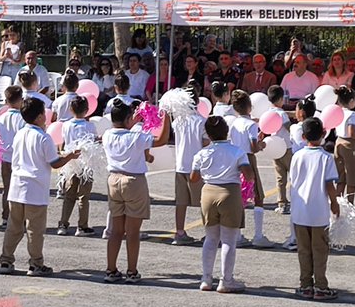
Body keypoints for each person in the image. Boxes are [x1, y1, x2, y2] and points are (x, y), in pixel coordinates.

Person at [0, 97, 76, 276]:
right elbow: (55, 162)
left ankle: (6, 260)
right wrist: (70, 156)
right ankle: (36, 264)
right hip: (35, 188)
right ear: (40, 116)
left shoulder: (20, 134)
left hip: (17, 186)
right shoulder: (44, 137)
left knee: (13, 227)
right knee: (35, 229)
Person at [103, 98, 170, 283]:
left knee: (116, 230)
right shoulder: (135, 137)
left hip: (113, 180)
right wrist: (166, 117)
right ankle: (131, 271)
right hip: (133, 181)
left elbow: (123, 126)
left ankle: (111, 270)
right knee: (132, 232)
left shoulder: (108, 135)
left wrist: (133, 119)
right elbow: (162, 140)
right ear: (127, 119)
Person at [190, 115, 252, 294]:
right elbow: (249, 175)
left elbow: (193, 178)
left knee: (210, 238)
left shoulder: (202, 153)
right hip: (229, 192)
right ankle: (226, 280)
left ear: (208, 135)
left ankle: (206, 278)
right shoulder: (237, 151)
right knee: (228, 240)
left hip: (208, 192)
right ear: (227, 131)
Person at [288, 117, 340, 300]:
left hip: (300, 210)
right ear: (324, 134)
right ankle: (320, 286)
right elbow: (329, 185)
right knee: (320, 250)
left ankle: (305, 284)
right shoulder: (326, 158)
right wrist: (334, 203)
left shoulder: (297, 156)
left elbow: (292, 181)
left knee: (303, 249)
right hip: (319, 211)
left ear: (303, 136)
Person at [229, 90, 270, 248]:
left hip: (236, 158)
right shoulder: (251, 125)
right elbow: (253, 147)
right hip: (248, 159)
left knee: (239, 195)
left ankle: (238, 235)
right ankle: (258, 235)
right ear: (250, 107)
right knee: (258, 195)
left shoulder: (234, 123)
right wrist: (261, 144)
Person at [169, 81, 207, 246]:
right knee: (204, 200)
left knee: (181, 201)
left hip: (180, 164)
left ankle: (179, 231)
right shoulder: (201, 121)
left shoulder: (177, 121)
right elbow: (205, 142)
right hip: (197, 166)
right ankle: (209, 231)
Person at [57, 96, 97, 236]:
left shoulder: (66, 125)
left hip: (71, 163)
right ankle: (82, 226)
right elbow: (93, 142)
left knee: (69, 195)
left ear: (71, 109)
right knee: (83, 196)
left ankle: (63, 224)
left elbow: (63, 142)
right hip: (86, 163)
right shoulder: (90, 126)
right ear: (87, 110)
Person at [0, 86, 27, 229]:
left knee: (7, 188)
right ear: (21, 100)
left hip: (5, 157)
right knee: (21, 189)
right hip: (20, 158)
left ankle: (6, 217)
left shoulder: (2, 118)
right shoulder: (23, 118)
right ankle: (20, 219)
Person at [332, 86, 355, 203]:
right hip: (349, 145)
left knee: (341, 176)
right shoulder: (352, 114)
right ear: (351, 101)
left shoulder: (338, 112)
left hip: (339, 141)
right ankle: (350, 202)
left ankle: (337, 201)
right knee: (351, 177)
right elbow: (352, 133)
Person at [266, 85, 293, 214]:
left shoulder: (268, 113)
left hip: (275, 148)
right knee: (293, 175)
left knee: (280, 178)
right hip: (286, 147)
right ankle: (295, 200)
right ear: (281, 99)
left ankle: (281, 202)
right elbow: (288, 127)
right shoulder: (282, 114)